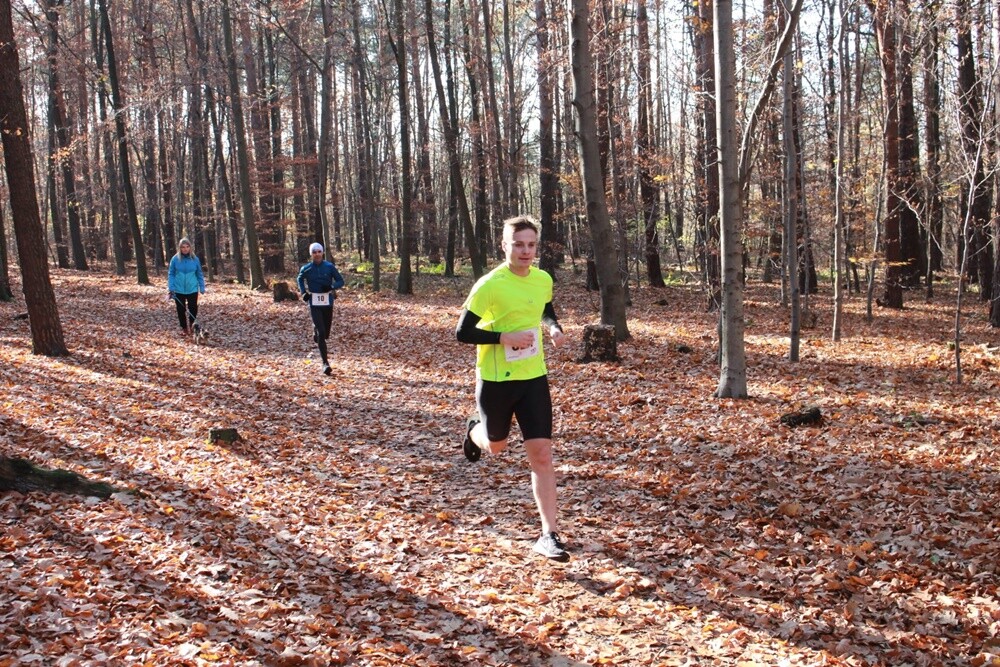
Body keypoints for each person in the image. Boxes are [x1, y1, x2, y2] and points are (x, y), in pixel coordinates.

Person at [455, 215, 569, 562]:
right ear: (504, 245)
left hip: (533, 377)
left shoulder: (542, 279)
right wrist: (504, 337)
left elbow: (545, 308)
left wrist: (553, 327)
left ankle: (549, 534)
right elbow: (463, 332)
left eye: (531, 245)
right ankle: (474, 431)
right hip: (496, 380)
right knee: (496, 446)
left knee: (542, 455)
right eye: (518, 244)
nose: (525, 251)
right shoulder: (490, 284)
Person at [297, 242, 345, 375]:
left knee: (326, 333)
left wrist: (331, 287)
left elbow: (341, 281)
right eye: (314, 252)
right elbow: (300, 279)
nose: (317, 254)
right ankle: (325, 363)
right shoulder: (307, 268)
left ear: (322, 253)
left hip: (327, 302)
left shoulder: (329, 267)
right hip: (314, 302)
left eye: (319, 251)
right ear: (311, 254)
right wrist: (303, 292)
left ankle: (316, 331)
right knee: (321, 332)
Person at [167, 238, 206, 336]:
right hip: (178, 289)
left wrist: (202, 286)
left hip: (192, 288)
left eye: (187, 247)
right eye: (183, 247)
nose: (185, 249)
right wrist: (171, 287)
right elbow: (171, 274)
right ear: (180, 248)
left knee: (193, 308)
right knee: (181, 309)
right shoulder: (175, 259)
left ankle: (193, 327)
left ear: (190, 248)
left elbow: (199, 273)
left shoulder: (195, 259)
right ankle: (184, 327)